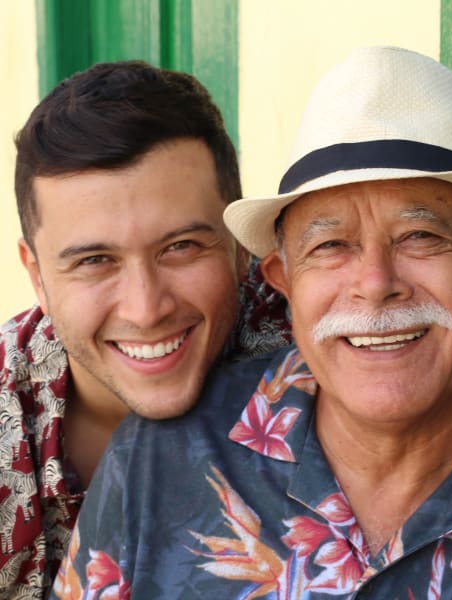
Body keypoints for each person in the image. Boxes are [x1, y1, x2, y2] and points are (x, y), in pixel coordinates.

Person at [52, 47, 452, 599]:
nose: (375, 281)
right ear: (282, 283)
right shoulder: (158, 460)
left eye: (422, 237)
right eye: (331, 245)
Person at [0, 60, 291, 598]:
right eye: (94, 260)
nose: (146, 308)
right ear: (36, 275)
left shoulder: (326, 361)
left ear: (239, 248)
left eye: (181, 247)